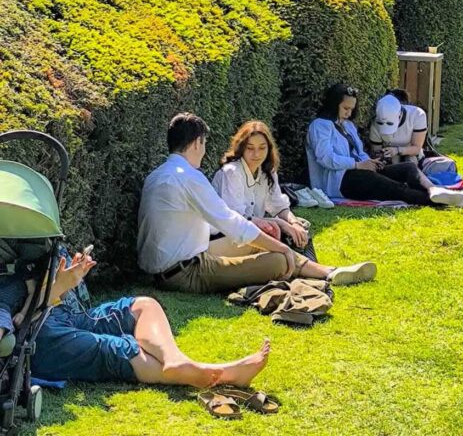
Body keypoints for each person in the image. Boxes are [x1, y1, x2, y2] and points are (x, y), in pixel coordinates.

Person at [137, 113, 375, 294]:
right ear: (198, 142)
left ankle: (328, 272)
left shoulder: (157, 175)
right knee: (279, 259)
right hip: (186, 272)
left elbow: (210, 228)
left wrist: (271, 232)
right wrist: (279, 246)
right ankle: (325, 273)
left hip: (174, 264)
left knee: (261, 243)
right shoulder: (190, 177)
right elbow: (232, 223)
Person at [28, 250, 273, 389]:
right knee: (113, 350)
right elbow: (18, 318)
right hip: (40, 331)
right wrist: (56, 288)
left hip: (66, 313)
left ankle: (174, 359)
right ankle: (224, 374)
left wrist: (72, 276)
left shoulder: (32, 240)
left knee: (143, 305)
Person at [306, 84, 463, 207]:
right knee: (395, 188)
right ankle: (440, 200)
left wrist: (371, 163)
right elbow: (325, 159)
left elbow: (359, 152)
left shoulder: (348, 126)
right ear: (333, 104)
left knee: (407, 168)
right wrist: (358, 165)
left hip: (359, 170)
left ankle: (434, 190)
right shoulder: (320, 126)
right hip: (339, 181)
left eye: (351, 109)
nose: (349, 113)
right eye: (345, 108)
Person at [213, 121, 315, 260]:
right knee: (277, 231)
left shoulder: (268, 172)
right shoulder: (232, 172)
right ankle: (300, 267)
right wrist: (280, 223)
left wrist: (294, 223)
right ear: (242, 148)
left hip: (257, 228)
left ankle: (311, 265)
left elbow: (279, 206)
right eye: (250, 148)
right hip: (228, 234)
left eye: (262, 148)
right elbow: (236, 217)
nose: (256, 154)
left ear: (269, 149)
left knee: (301, 228)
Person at [368, 91, 458, 180]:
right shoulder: (375, 125)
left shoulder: (417, 115)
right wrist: (383, 156)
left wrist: (397, 150)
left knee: (412, 160)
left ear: (399, 115)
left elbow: (417, 148)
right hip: (390, 163)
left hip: (415, 158)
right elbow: (376, 152)